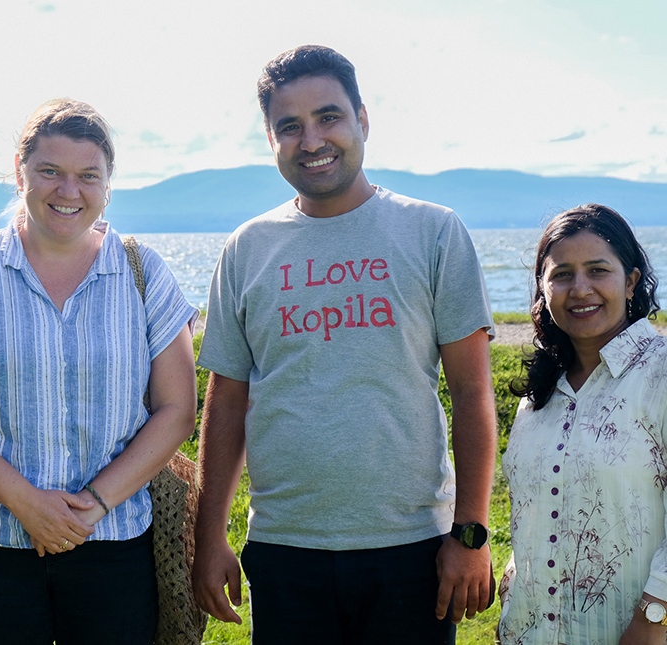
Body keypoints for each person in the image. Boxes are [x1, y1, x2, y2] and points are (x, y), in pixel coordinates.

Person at [192, 44, 499, 644]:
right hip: (284, 547)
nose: (312, 140)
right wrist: (208, 539)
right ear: (270, 139)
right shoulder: (246, 248)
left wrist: (471, 533)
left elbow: (471, 393)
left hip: (410, 546)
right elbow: (225, 404)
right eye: (290, 127)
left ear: (363, 119)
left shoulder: (433, 231)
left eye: (328, 117)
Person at [0, 98, 198, 644]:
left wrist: (91, 505)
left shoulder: (144, 272)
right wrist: (28, 504)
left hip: (113, 537)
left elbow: (176, 410)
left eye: (88, 175)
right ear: (20, 173)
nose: (69, 191)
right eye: (50, 172)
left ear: (108, 184)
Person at [498, 204, 665, 644]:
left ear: (630, 282)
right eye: (562, 274)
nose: (580, 289)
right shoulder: (538, 398)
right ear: (542, 288)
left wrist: (654, 618)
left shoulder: (661, 374)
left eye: (597, 270)